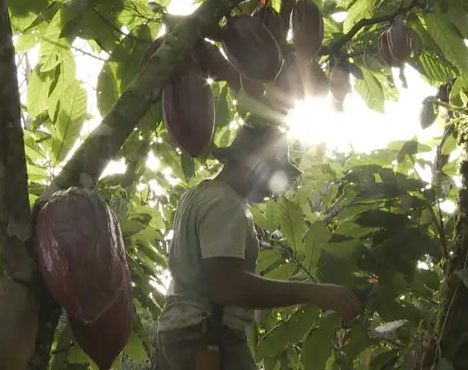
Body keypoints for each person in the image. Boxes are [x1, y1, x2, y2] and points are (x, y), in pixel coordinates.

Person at [155, 124, 363, 370]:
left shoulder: (196, 195)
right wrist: (313, 293)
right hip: (207, 338)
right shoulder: (224, 203)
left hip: (176, 334)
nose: (274, 189)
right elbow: (228, 286)